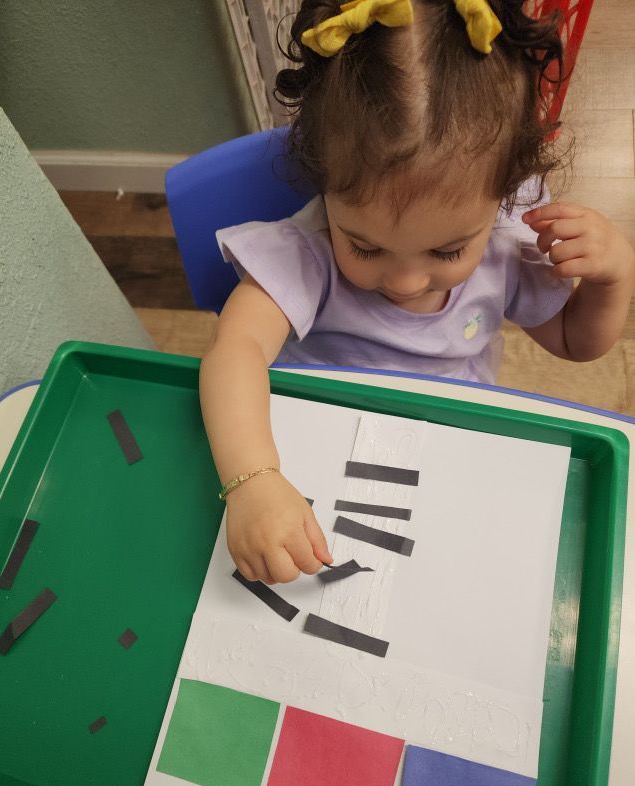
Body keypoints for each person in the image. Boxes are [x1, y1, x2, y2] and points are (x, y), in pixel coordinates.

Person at [199, 0, 634, 586]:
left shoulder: (508, 243)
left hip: (451, 448)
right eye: (365, 247)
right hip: (308, 454)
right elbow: (235, 350)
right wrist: (252, 479)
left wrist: (614, 277)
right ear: (324, 182)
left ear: (505, 196)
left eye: (447, 252)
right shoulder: (306, 252)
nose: (405, 282)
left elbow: (575, 342)